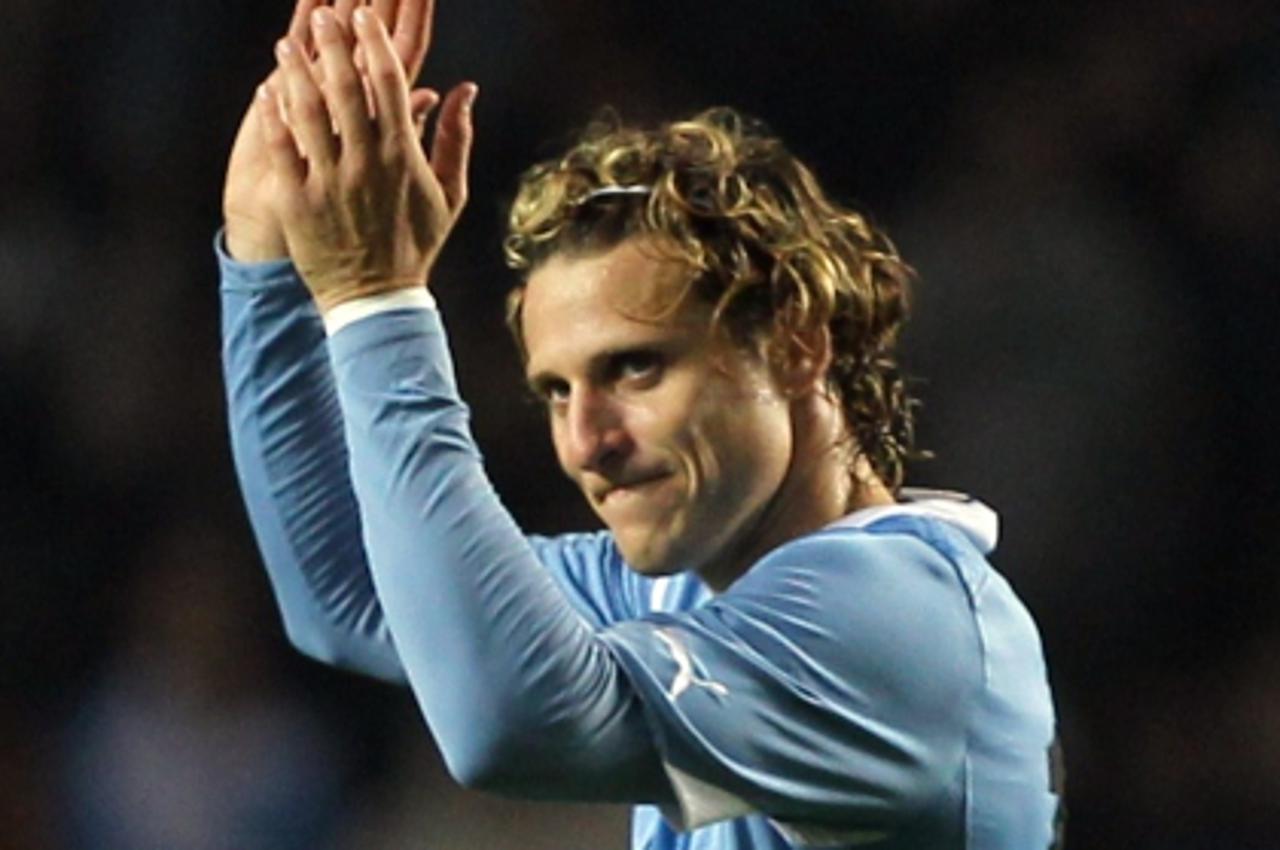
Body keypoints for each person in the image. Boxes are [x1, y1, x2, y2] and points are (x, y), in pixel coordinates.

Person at [218, 1, 1064, 847]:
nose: (589, 443)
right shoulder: (690, 585)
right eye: (556, 392)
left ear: (796, 346)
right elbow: (354, 595)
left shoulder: (898, 622)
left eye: (636, 368)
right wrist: (266, 260)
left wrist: (378, 299)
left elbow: (509, 726)